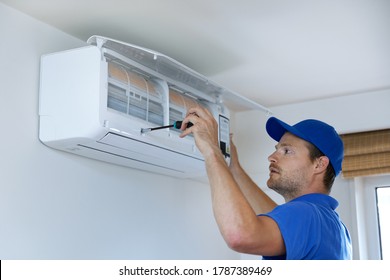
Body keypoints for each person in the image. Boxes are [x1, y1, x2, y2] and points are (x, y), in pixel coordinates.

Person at [179, 106, 352, 260]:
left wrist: (211, 150)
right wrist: (234, 169)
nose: (272, 157)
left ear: (319, 164)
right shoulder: (333, 226)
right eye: (277, 149)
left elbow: (239, 235)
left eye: (287, 151)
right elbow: (277, 217)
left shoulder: (306, 214)